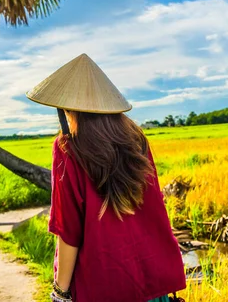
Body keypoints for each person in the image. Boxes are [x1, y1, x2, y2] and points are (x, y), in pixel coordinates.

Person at [26, 53, 186, 302]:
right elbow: (155, 208)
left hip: (102, 285)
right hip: (150, 280)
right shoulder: (136, 140)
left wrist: (60, 293)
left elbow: (68, 230)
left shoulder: (68, 148)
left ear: (68, 107)